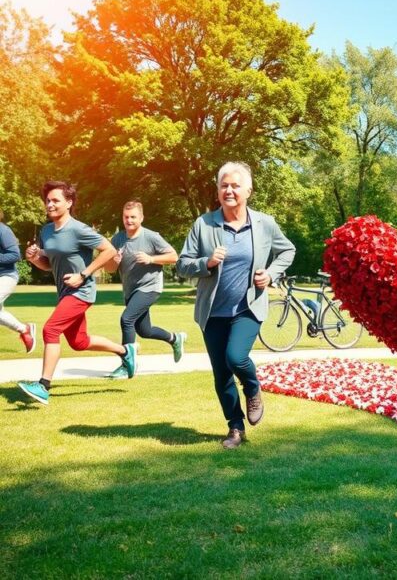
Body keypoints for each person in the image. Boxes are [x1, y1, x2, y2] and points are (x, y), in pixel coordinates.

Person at [177, 162, 295, 449]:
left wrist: (271, 274)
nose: (229, 190)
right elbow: (182, 264)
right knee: (221, 374)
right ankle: (235, 428)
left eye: (235, 186)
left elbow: (287, 250)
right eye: (224, 186)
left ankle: (253, 388)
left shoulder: (264, 223)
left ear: (248, 191)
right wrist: (206, 262)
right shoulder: (204, 224)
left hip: (248, 307)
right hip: (212, 312)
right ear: (218, 190)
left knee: (236, 358)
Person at [18, 181, 135, 405]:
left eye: (55, 200)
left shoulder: (79, 229)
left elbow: (109, 250)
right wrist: (34, 259)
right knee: (79, 342)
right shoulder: (47, 231)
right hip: (65, 292)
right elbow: (50, 264)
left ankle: (43, 386)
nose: (50, 204)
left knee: (51, 330)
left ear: (69, 203)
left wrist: (83, 274)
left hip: (82, 291)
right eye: (48, 200)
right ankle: (125, 351)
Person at [103, 200, 186, 378]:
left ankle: (126, 365)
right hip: (131, 290)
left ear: (141, 218)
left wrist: (151, 259)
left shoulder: (151, 237)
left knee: (126, 319)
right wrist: (114, 261)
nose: (129, 220)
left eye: (133, 217)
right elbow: (109, 269)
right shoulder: (117, 239)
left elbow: (173, 256)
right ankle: (175, 338)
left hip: (150, 287)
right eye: (126, 217)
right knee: (144, 330)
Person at [0, 210, 36, 353]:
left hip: (6, 276)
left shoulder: (3, 230)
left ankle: (25, 329)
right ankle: (24, 329)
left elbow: (15, 255)